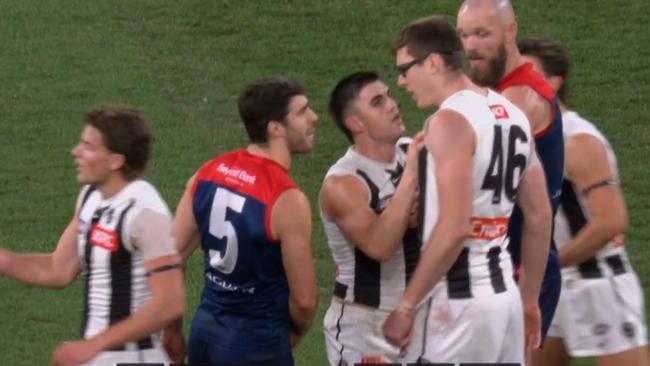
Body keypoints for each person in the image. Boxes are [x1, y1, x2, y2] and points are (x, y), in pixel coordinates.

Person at [381, 15, 552, 364]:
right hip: (504, 301)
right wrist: (530, 300)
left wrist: (406, 306)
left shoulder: (449, 122)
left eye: (405, 69)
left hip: (457, 303)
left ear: (432, 63)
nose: (400, 81)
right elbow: (539, 214)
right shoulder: (513, 114)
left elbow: (455, 226)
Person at [0, 106, 186, 366]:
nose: (76, 152)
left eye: (88, 146)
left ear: (115, 160)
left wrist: (93, 346)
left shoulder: (145, 213)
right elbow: (59, 268)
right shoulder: (91, 197)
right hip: (98, 357)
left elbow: (171, 302)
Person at [164, 77, 319, 366]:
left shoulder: (208, 173)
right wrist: (288, 337)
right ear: (276, 129)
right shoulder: (287, 199)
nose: (314, 118)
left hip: (205, 334)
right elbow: (306, 301)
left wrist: (172, 329)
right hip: (257, 342)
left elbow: (172, 257)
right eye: (302, 111)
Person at [518, 36, 650, 366]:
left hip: (600, 284)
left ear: (553, 83)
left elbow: (612, 221)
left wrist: (547, 263)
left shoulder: (578, 141)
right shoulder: (524, 141)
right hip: (556, 287)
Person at [457, 0, 565, 343]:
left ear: (511, 31)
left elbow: (474, 185)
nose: (471, 46)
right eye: (464, 35)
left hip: (519, 272)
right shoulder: (500, 92)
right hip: (505, 268)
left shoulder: (517, 100)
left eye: (482, 34)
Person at [320, 71, 424, 364]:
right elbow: (380, 245)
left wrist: (424, 208)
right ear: (356, 123)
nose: (393, 105)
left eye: (389, 96)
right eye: (378, 102)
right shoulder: (343, 183)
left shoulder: (409, 150)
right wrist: (412, 179)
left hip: (416, 312)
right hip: (365, 325)